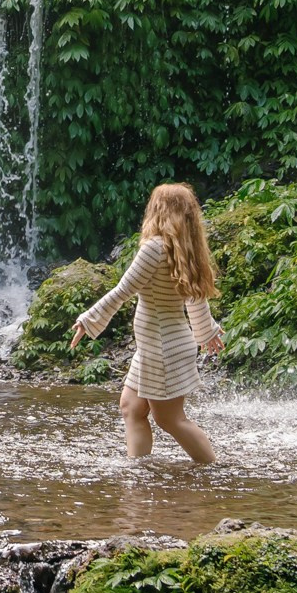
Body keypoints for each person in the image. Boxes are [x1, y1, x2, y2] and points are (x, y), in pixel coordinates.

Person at [69, 182, 225, 464]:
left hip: (162, 349)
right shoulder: (184, 250)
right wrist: (205, 332)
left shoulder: (155, 248)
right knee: (131, 407)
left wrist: (87, 319)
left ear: (158, 211)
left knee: (171, 419)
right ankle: (139, 470)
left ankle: (213, 469)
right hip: (158, 346)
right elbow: (195, 300)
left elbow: (123, 290)